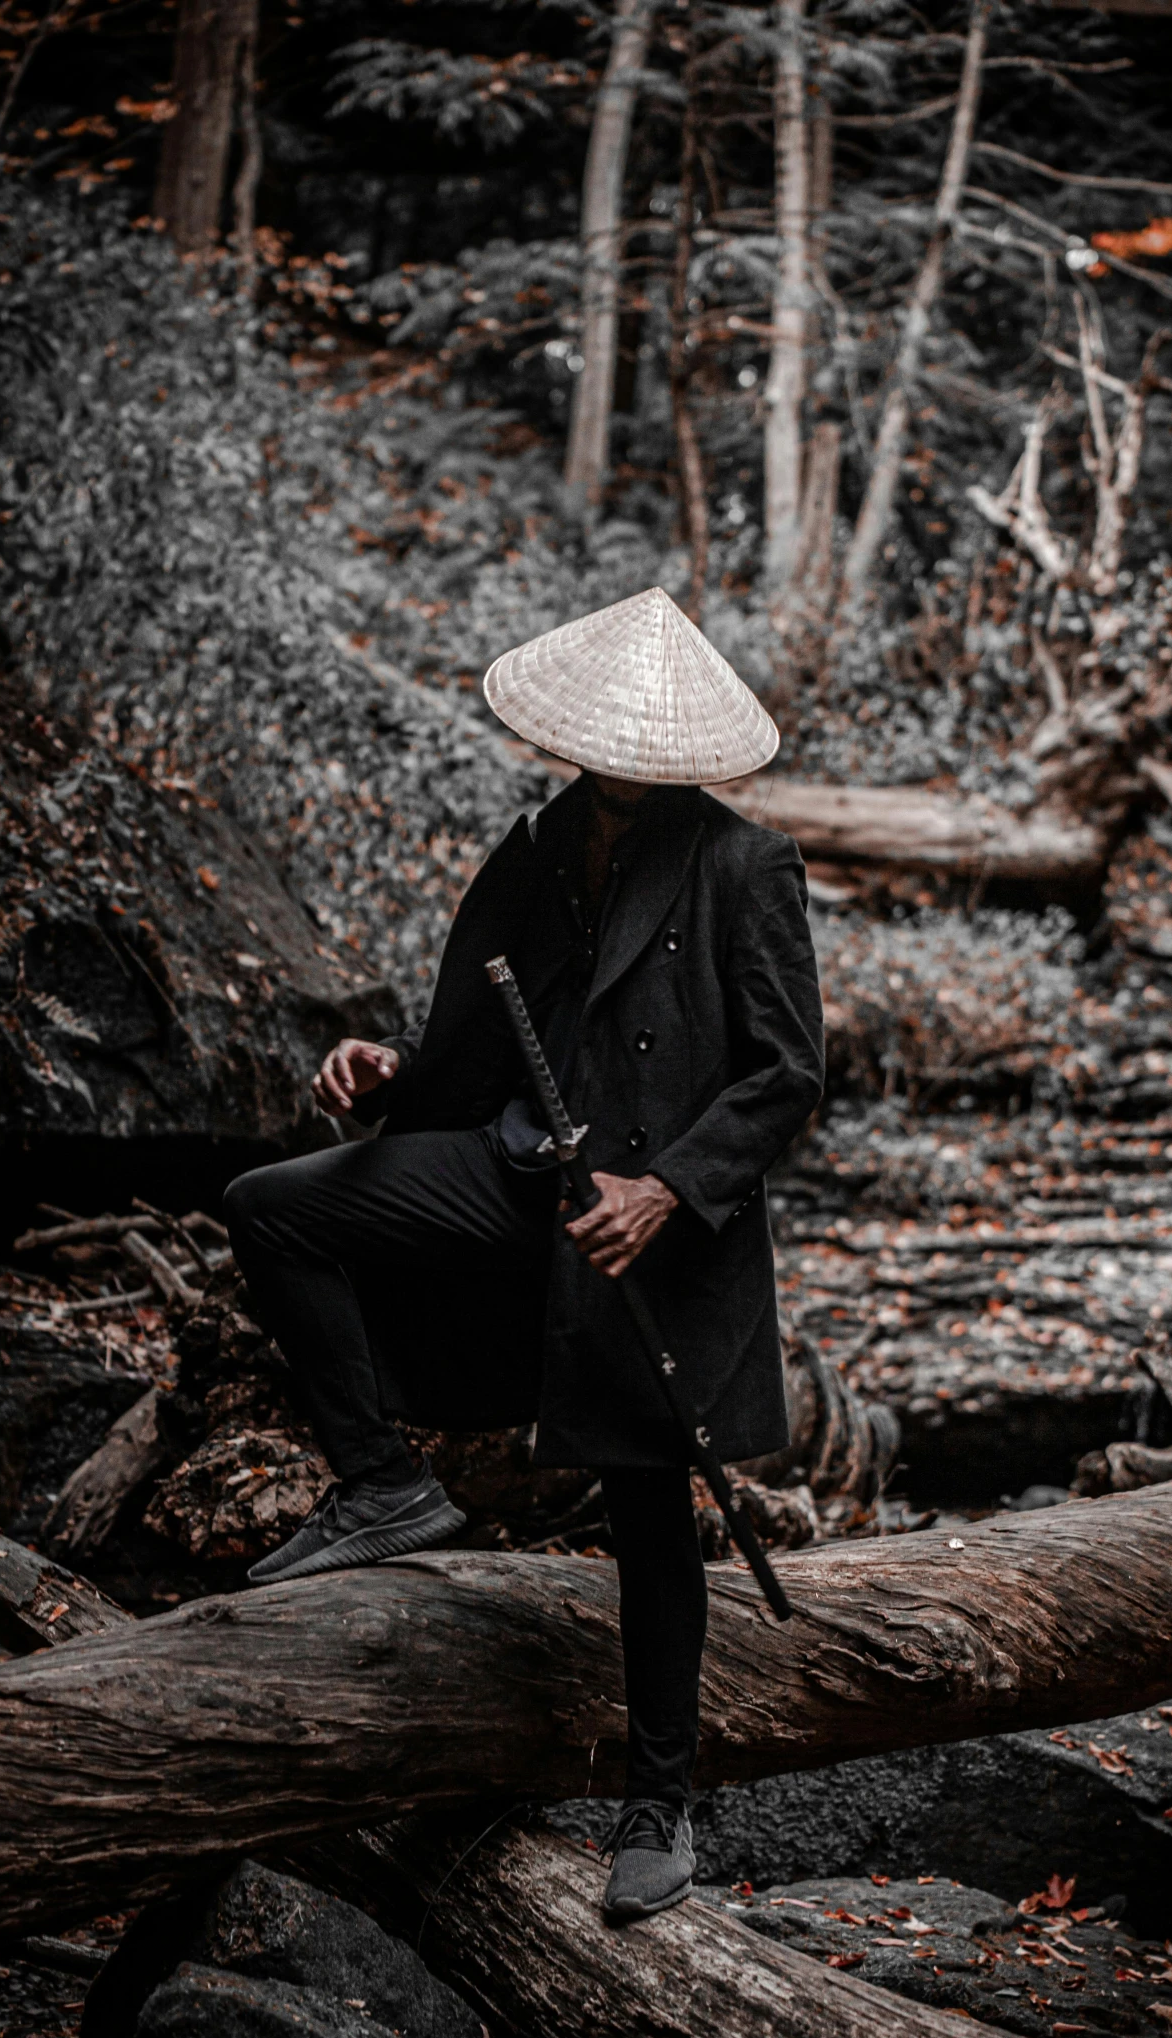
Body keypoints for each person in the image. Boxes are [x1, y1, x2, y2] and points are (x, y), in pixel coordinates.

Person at [223, 585, 824, 1920]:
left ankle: (657, 1801)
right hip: (513, 1175)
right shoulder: (538, 848)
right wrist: (389, 1072)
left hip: (642, 1228)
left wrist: (668, 1189)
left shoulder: (743, 866)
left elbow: (787, 1077)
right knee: (276, 1204)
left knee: (646, 1509)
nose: (607, 755)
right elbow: (481, 1046)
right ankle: (381, 1486)